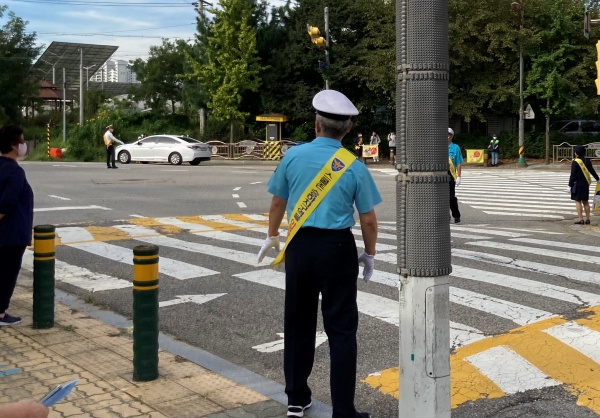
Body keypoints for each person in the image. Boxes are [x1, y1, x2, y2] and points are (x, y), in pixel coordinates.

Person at [257, 89, 381, 418]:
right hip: (337, 249)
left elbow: (277, 202)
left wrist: (272, 236)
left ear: (316, 125)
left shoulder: (293, 157)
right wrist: (369, 254)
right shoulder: (353, 165)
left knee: (297, 322)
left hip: (299, 247)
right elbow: (368, 219)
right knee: (341, 329)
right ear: (347, 130)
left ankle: (296, 399)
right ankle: (343, 410)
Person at [0, 125, 33, 326]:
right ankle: (1, 314)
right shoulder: (15, 172)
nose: (24, 145)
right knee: (6, 275)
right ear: (14, 145)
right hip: (11, 235)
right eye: (21, 141)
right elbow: (7, 203)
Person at [569, 145, 599, 225]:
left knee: (578, 201)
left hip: (577, 184)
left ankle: (581, 219)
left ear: (576, 153)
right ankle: (588, 219)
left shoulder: (576, 161)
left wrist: (569, 185)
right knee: (585, 201)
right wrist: (598, 179)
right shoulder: (587, 160)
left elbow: (573, 175)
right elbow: (592, 171)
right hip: (586, 184)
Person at [448, 128, 463, 223]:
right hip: (439, 174)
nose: (447, 136)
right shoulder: (437, 146)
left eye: (449, 134)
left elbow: (458, 163)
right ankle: (445, 216)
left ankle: (456, 215)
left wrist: (459, 176)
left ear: (452, 136)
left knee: (451, 197)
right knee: (439, 197)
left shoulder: (455, 148)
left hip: (450, 174)